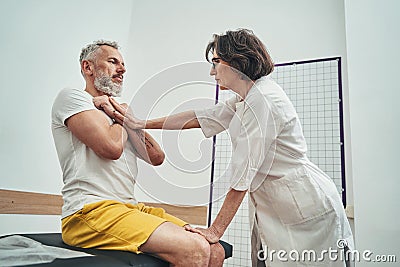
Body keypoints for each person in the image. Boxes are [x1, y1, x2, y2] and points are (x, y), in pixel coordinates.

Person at [109, 29, 355, 266]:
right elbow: (200, 117)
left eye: (216, 62)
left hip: (305, 209)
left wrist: (215, 230)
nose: (211, 71)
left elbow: (242, 174)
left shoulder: (264, 101)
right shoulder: (245, 98)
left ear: (238, 62)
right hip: (275, 207)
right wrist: (140, 123)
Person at [51, 40, 225, 267]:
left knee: (215, 249)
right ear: (88, 68)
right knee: (195, 249)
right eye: (113, 62)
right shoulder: (73, 98)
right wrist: (119, 114)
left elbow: (156, 157)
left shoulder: (115, 112)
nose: (122, 69)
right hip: (89, 212)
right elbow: (111, 149)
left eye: (123, 64)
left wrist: (121, 113)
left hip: (127, 208)